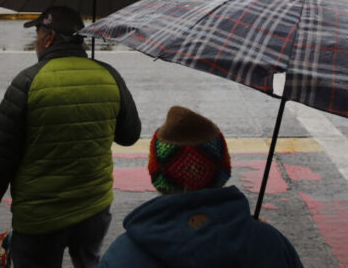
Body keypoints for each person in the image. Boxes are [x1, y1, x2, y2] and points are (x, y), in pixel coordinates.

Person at [0, 6, 142, 268]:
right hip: (94, 209)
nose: (36, 43)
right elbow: (129, 135)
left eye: (38, 35)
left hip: (40, 219)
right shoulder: (108, 75)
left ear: (49, 38)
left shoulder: (27, 82)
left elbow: (0, 158)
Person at [99, 106, 304, 268]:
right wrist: (260, 233)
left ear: (156, 172)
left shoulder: (121, 254)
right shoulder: (269, 245)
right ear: (222, 169)